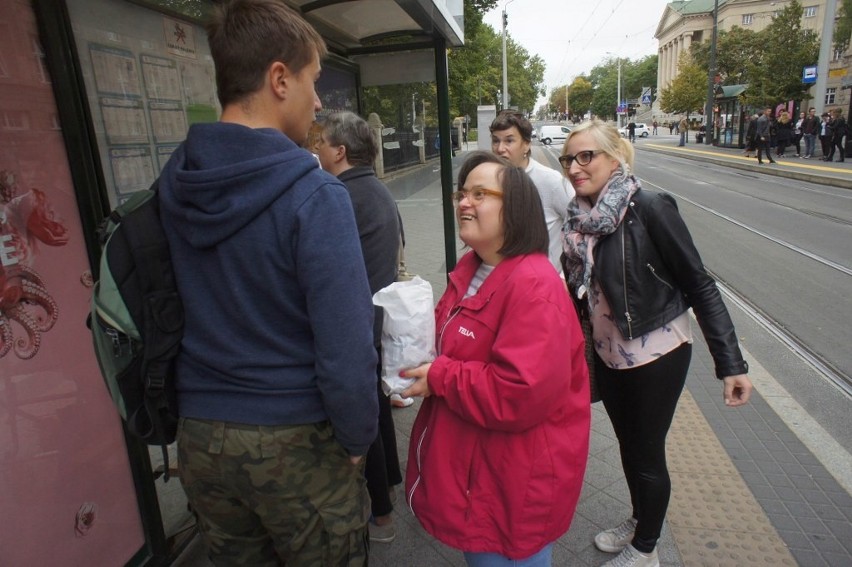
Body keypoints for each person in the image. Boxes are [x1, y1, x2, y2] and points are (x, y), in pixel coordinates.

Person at [158, 1, 379, 564]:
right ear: (279, 78)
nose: (318, 100)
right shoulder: (315, 195)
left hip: (201, 437)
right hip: (293, 434)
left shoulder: (177, 180)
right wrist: (357, 438)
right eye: (313, 81)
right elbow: (345, 345)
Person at [560, 120, 753, 567]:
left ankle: (647, 550)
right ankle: (641, 519)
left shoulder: (648, 206)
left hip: (656, 353)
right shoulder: (579, 216)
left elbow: (699, 284)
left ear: (615, 158)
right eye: (570, 158)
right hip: (608, 352)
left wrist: (731, 364)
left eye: (586, 156)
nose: (574, 166)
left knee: (646, 452)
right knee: (629, 446)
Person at [400, 151, 591, 566]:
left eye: (480, 193)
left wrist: (440, 377)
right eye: (462, 193)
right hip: (481, 470)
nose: (464, 202)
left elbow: (518, 393)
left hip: (515, 482)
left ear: (515, 208)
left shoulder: (534, 288)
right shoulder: (472, 267)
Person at [316, 110, 405, 544]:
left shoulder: (338, 195)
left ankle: (382, 514)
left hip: (355, 325)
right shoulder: (377, 190)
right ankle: (389, 483)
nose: (316, 150)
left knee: (360, 418)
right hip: (375, 320)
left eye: (321, 143)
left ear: (339, 151)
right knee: (376, 409)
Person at [490, 110, 573, 274]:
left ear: (527, 144)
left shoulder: (552, 181)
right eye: (495, 141)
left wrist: (564, 278)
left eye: (509, 141)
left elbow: (582, 229)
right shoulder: (491, 180)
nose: (500, 149)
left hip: (543, 286)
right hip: (506, 281)